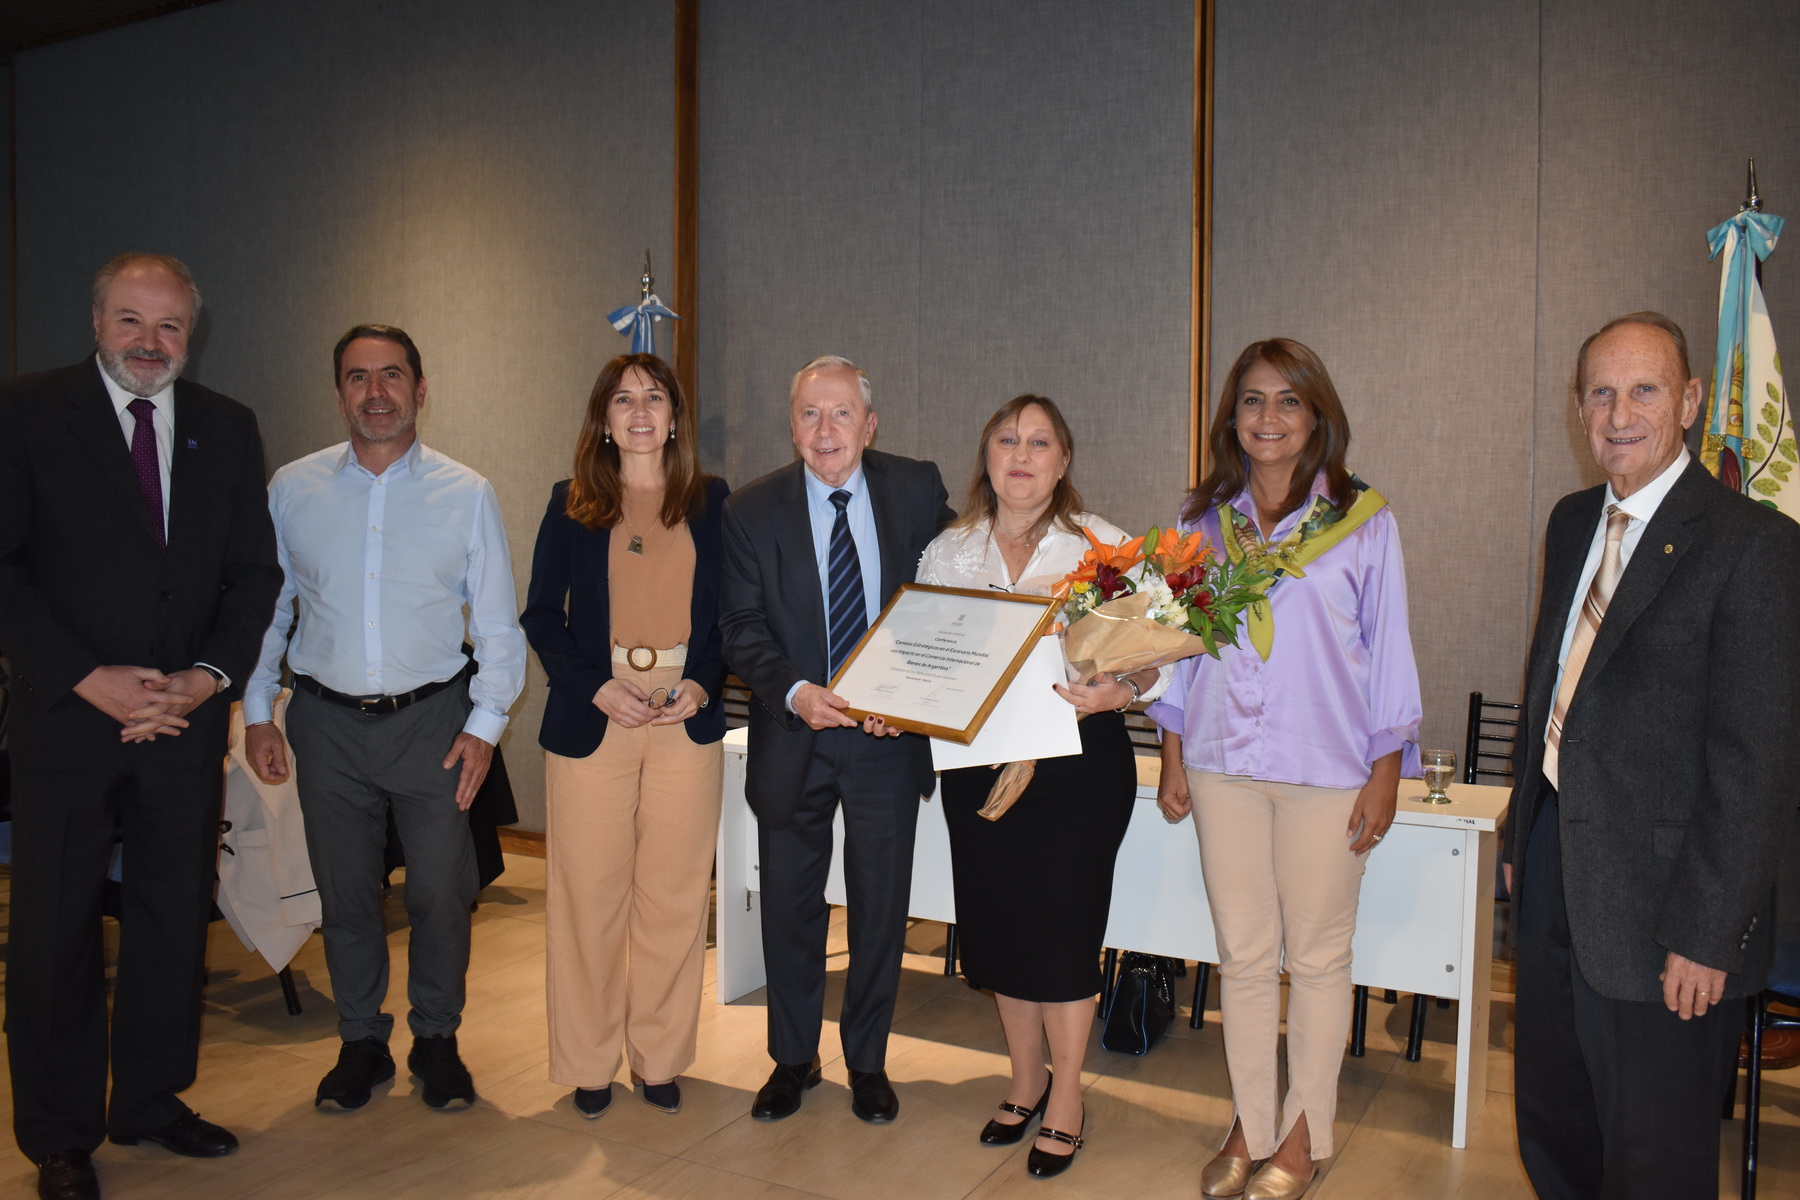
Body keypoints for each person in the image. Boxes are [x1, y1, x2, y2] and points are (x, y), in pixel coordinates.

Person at [0, 253, 282, 1200]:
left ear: (189, 335)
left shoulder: (227, 427)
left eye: (168, 327)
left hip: (183, 724)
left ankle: (153, 1103)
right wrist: (88, 679)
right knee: (56, 931)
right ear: (96, 322)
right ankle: (59, 1134)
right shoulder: (29, 412)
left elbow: (254, 574)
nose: (150, 344)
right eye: (132, 321)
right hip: (69, 724)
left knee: (171, 920)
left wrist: (206, 680)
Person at [1504, 312, 1800, 1200]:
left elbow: (1758, 762)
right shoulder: (1569, 522)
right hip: (1559, 875)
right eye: (1600, 391)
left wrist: (1709, 933)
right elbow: (1548, 690)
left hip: (1671, 909)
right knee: (1555, 1128)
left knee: (1655, 1161)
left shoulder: (1754, 545)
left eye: (1645, 389)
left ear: (1692, 402)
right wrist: (1526, 840)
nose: (1618, 412)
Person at [1148, 338, 1421, 1200]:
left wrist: (1386, 768)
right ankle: (1251, 1120)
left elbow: (1389, 653)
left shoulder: (1363, 520)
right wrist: (1172, 751)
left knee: (1317, 956)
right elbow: (1174, 644)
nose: (1270, 418)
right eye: (1254, 401)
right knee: (1243, 953)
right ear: (1233, 417)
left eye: (1288, 401)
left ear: (1317, 416)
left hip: (1328, 765)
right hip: (1224, 758)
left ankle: (1303, 1132)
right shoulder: (1202, 521)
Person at [242, 324, 527, 1113]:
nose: (376, 392)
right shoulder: (292, 490)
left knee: (441, 890)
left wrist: (485, 725)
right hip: (325, 726)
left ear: (420, 389)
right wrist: (260, 709)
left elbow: (500, 627)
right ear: (338, 393)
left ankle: (436, 1037)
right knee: (346, 894)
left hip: (433, 723)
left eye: (392, 375)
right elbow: (269, 612)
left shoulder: (465, 493)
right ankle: (361, 1040)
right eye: (358, 378)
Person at [917, 395, 1167, 1178]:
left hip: (1077, 765)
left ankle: (1067, 1098)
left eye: (1039, 442)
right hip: (980, 768)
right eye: (1005, 439)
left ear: (1063, 459)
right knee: (998, 927)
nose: (1020, 454)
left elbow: (1163, 658)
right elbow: (925, 656)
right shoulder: (948, 552)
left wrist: (1119, 693)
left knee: (1062, 930)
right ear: (986, 456)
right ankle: (1024, 1081)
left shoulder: (1106, 545)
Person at [720, 355, 953, 1123]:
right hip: (794, 736)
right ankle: (792, 1060)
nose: (826, 430)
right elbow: (741, 629)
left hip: (886, 745)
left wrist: (912, 698)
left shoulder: (917, 489)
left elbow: (946, 604)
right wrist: (794, 691)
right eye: (811, 415)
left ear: (870, 423)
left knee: (880, 909)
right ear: (792, 427)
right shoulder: (750, 510)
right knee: (791, 908)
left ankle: (868, 1063)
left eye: (842, 413)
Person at [519, 353, 730, 1120]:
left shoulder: (712, 502)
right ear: (602, 420)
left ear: (674, 416)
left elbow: (731, 617)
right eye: (621, 400)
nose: (638, 412)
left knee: (673, 898)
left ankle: (661, 1058)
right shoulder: (570, 503)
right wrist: (595, 686)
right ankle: (587, 1062)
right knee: (588, 898)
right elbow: (543, 615)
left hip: (685, 714)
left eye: (653, 398)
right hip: (594, 714)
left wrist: (703, 682)